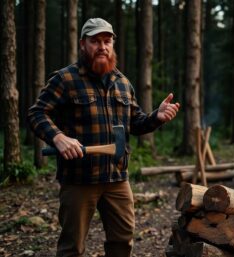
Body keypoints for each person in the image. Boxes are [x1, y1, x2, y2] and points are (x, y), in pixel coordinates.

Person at [28, 18, 180, 257]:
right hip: (79, 180)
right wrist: (57, 137)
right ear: (82, 44)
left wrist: (157, 117)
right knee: (72, 248)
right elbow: (37, 113)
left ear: (112, 45)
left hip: (117, 178)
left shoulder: (122, 83)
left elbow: (135, 123)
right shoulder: (65, 79)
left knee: (122, 241)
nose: (102, 46)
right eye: (95, 41)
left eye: (107, 41)